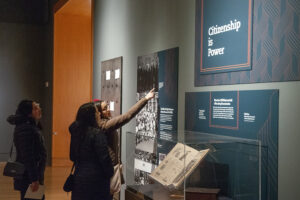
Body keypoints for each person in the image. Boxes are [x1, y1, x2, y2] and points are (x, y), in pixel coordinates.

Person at [93, 88, 155, 167]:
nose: (108, 109)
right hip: (110, 168)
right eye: (105, 109)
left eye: (107, 106)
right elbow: (127, 116)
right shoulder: (105, 126)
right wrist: (145, 99)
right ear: (98, 113)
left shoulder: (101, 124)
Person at [69, 102, 113, 200]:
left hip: (79, 177)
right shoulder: (97, 134)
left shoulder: (76, 133)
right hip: (97, 180)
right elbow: (104, 158)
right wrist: (110, 173)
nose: (99, 114)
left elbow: (72, 156)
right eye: (97, 112)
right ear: (91, 116)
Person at [7, 100, 47, 200]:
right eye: (35, 108)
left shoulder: (30, 126)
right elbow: (28, 156)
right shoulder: (26, 129)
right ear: (28, 112)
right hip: (29, 177)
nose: (39, 109)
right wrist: (34, 179)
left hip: (32, 175)